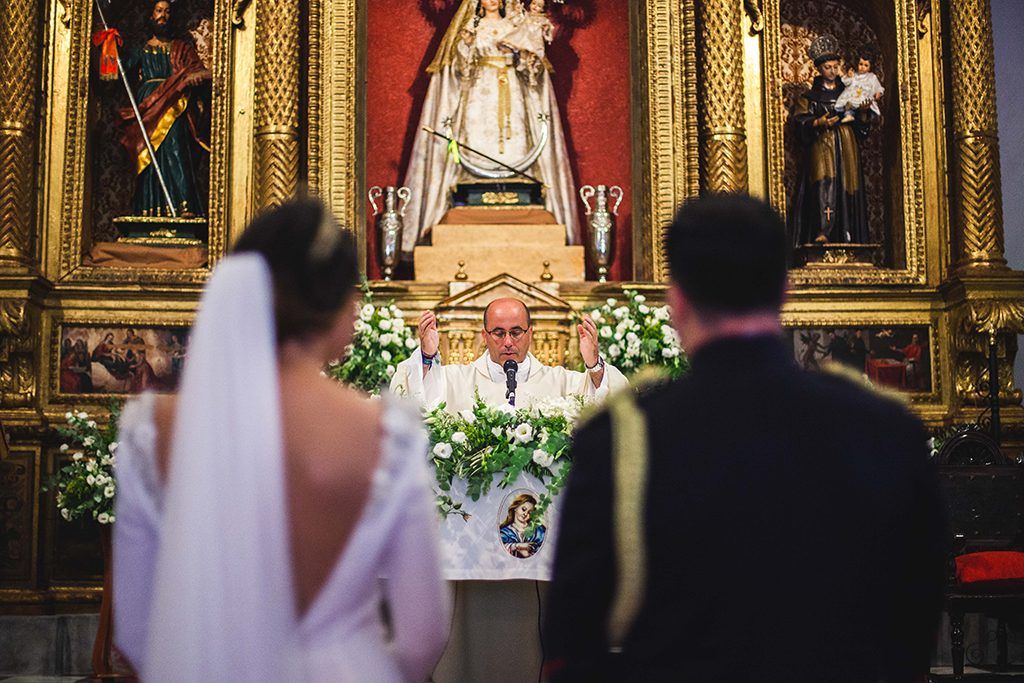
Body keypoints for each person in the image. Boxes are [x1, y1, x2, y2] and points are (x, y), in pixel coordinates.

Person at [543, 194, 948, 682]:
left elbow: (574, 642)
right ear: (786, 288)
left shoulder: (623, 437)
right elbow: (914, 623)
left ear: (677, 300)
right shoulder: (884, 427)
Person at [113, 200, 449, 682]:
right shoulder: (384, 434)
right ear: (339, 310)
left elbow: (136, 631)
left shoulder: (152, 430)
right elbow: (423, 636)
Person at [400, 0, 580, 254]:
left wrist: (528, 47)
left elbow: (532, 63)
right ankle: (473, 182)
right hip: (479, 95)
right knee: (476, 138)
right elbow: (459, 68)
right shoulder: (473, 26)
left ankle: (517, 183)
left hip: (513, 92)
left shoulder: (515, 24)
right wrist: (466, 45)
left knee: (516, 138)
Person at [390, 297, 628, 411]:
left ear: (530, 333)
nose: (507, 342)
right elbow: (410, 397)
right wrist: (427, 356)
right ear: (484, 335)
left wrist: (594, 364)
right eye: (498, 333)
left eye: (516, 332)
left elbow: (614, 402)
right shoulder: (455, 380)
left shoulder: (561, 382)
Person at [107, 0, 211, 217]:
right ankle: (148, 210)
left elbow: (203, 73)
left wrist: (191, 78)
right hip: (147, 106)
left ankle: (184, 205)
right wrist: (110, 45)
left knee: (176, 150)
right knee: (148, 156)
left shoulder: (182, 48)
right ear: (150, 16)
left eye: (167, 11)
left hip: (174, 105)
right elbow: (117, 73)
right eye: (159, 11)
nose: (163, 15)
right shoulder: (141, 50)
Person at [789, 34, 875, 246]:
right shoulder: (809, 97)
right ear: (819, 69)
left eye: (836, 66)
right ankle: (822, 231)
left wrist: (863, 112)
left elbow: (862, 128)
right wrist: (818, 123)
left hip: (846, 146)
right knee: (823, 185)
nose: (833, 71)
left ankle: (849, 234)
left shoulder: (850, 92)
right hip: (823, 145)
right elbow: (799, 121)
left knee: (847, 187)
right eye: (828, 67)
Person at [835, 46, 884, 122]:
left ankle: (859, 117)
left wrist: (878, 93)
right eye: (861, 64)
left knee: (860, 107)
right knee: (848, 104)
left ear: (870, 67)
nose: (862, 67)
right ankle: (849, 115)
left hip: (863, 99)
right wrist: (849, 76)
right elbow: (846, 83)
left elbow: (878, 87)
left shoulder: (872, 77)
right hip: (851, 97)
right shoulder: (854, 75)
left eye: (866, 65)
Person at [499, 492, 546, 558]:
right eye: (523, 509)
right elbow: (498, 550)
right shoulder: (504, 532)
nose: (525, 514)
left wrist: (528, 554)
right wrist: (517, 546)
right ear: (515, 507)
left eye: (529, 512)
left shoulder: (538, 530)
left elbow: (546, 550)